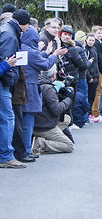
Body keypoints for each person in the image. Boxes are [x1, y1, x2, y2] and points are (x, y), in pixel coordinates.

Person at [21, 25, 67, 157]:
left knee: (21, 120)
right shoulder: (31, 50)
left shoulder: (21, 48)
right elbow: (45, 64)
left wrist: (45, 53)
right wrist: (54, 55)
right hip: (30, 87)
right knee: (28, 120)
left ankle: (23, 148)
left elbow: (33, 59)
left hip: (21, 86)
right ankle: (26, 150)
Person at [0, 9, 30, 168]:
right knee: (7, 119)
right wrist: (9, 80)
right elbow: (6, 60)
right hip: (2, 83)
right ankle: (5, 155)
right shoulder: (10, 35)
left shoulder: (5, 30)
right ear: (23, 24)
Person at [32, 65, 75, 154]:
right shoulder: (48, 89)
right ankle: (41, 143)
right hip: (45, 126)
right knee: (69, 146)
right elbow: (56, 110)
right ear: (53, 75)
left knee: (66, 118)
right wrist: (68, 99)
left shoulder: (36, 83)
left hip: (36, 121)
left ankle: (40, 138)